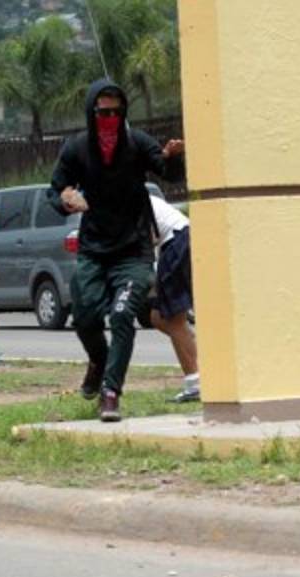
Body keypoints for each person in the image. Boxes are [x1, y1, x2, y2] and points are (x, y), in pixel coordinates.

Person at [50, 78, 185, 422]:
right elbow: (56, 189)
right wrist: (65, 199)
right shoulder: (77, 148)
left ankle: (111, 393)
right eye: (103, 113)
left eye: (116, 112)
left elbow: (167, 171)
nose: (109, 119)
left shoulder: (137, 142)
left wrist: (173, 157)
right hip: (93, 250)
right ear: (91, 113)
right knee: (85, 318)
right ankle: (98, 360)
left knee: (123, 315)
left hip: (133, 251)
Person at [149, 194, 199, 402]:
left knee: (172, 318)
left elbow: (150, 236)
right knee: (158, 317)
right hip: (172, 244)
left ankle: (195, 384)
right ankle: (198, 356)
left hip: (177, 240)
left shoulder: (131, 198)